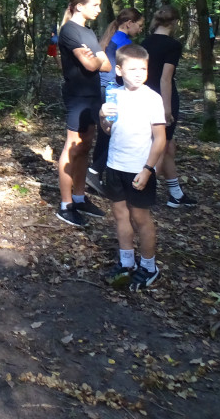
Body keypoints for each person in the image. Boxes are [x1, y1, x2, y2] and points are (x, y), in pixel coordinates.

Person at [98, 43, 166, 290]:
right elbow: (108, 130)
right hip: (115, 165)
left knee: (140, 217)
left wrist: (148, 169)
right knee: (120, 215)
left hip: (140, 168)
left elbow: (160, 138)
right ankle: (126, 262)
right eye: (132, 68)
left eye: (143, 68)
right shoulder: (114, 94)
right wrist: (103, 116)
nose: (138, 73)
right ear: (118, 70)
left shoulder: (152, 98)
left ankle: (149, 265)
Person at [55, 0, 111, 227]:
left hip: (93, 96)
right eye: (95, 5)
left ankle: (79, 197)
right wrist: (96, 59)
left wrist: (95, 59)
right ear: (80, 6)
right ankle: (65, 205)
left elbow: (106, 65)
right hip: (77, 96)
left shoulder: (87, 32)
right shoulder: (69, 31)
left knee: (86, 145)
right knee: (73, 147)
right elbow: (90, 65)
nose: (99, 9)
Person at [142, 5, 197, 208]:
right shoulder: (173, 45)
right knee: (160, 146)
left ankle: (175, 193)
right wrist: (166, 109)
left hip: (145, 95)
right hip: (162, 98)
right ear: (175, 23)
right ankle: (145, 188)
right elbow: (166, 78)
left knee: (168, 147)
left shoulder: (145, 42)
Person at [88, 8, 145, 195]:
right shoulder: (125, 44)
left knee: (105, 136)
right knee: (115, 134)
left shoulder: (110, 39)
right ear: (129, 23)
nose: (140, 29)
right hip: (112, 91)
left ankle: (97, 177)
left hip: (102, 89)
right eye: (139, 25)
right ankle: (94, 172)